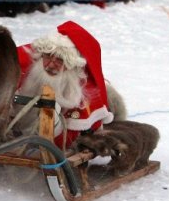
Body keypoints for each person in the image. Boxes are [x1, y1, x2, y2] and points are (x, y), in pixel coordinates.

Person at [14, 20, 114, 150]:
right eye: (48, 56)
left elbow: (72, 139)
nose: (50, 65)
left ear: (71, 65)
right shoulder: (24, 72)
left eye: (59, 60)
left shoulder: (80, 94)